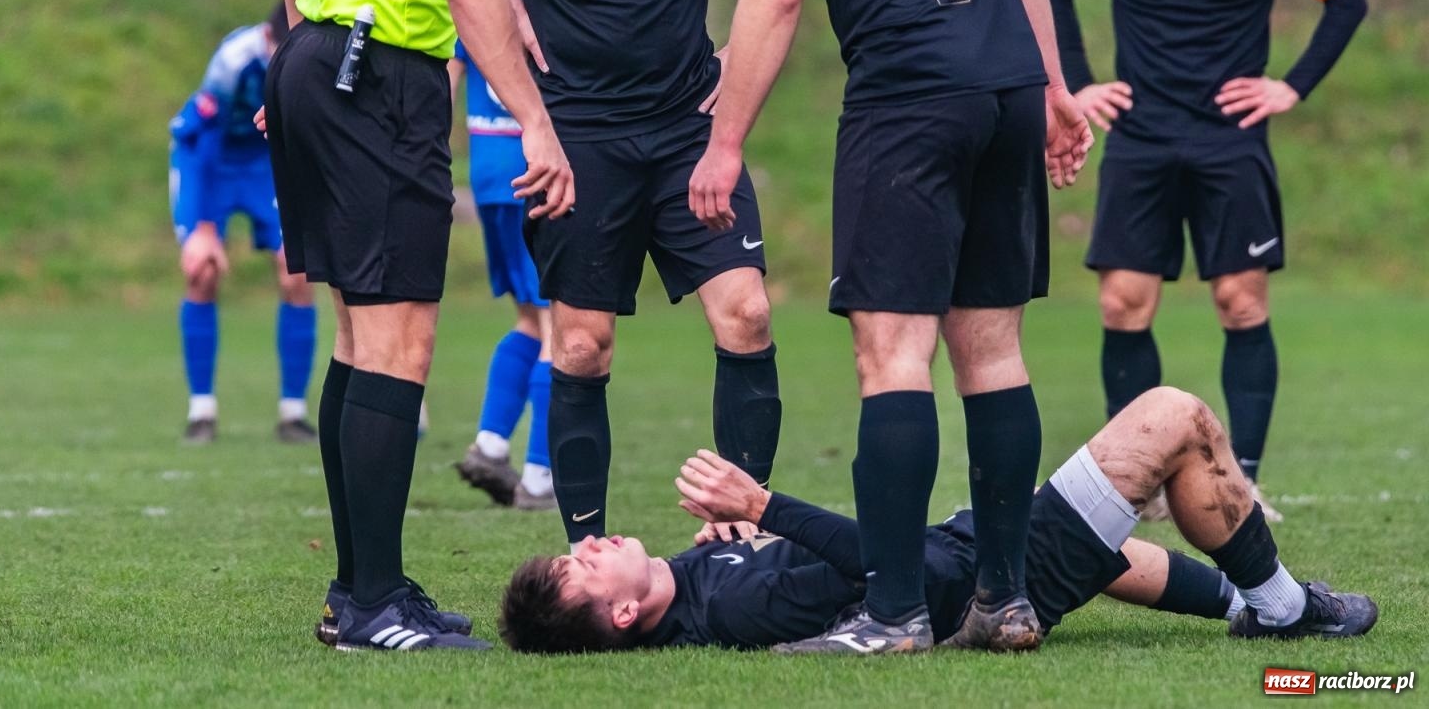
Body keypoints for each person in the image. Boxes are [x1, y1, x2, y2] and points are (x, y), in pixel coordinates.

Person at [685, 0, 1092, 653]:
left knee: (891, 354)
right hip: (1003, 86)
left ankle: (895, 610)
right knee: (991, 349)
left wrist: (725, 139)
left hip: (909, 100)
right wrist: (1055, 83)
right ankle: (1006, 598)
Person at [264, 0, 621, 653]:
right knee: (399, 344)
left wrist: (305, 37)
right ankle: (372, 602)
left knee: (356, 336)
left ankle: (364, 587)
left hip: (324, 60)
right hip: (380, 78)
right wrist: (537, 124)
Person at [495, 0, 781, 551]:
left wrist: (744, 51)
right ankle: (587, 548)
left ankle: (737, 527)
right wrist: (501, 3)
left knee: (749, 315)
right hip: (578, 138)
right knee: (580, 347)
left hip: (688, 123)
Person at [1043, 0, 1368, 524]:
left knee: (1239, 300)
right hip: (1142, 136)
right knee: (1124, 303)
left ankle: (1241, 481)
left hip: (1231, 139)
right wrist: (1078, 86)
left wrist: (1292, 86)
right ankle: (1132, 482)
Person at [497, 386, 1379, 653]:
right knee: (1174, 418)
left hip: (972, 548)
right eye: (584, 565)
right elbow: (887, 574)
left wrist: (744, 529)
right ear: (618, 614)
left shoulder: (694, 580)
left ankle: (1247, 602)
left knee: (1102, 547)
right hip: (974, 577)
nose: (591, 542)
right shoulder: (731, 612)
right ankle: (1281, 606)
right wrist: (764, 507)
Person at [168, 3, 316, 444]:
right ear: (270, 40)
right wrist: (207, 228)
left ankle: (293, 413)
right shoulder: (236, 58)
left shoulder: (311, 58)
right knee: (203, 271)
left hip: (263, 165)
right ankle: (201, 413)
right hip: (205, 160)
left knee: (297, 270)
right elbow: (207, 136)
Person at [450, 0, 557, 512]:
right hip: (539, 162)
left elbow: (451, 63)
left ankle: (491, 444)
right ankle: (540, 477)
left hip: (489, 169)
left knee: (528, 317)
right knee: (560, 321)